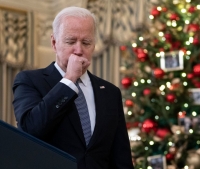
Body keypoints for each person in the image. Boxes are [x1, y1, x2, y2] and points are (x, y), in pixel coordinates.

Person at [12, 6, 134, 169]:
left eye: (86, 42)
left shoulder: (111, 92)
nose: (79, 50)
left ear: (94, 45)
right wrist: (69, 80)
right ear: (54, 43)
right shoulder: (29, 80)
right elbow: (30, 130)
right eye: (70, 41)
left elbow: (121, 158)